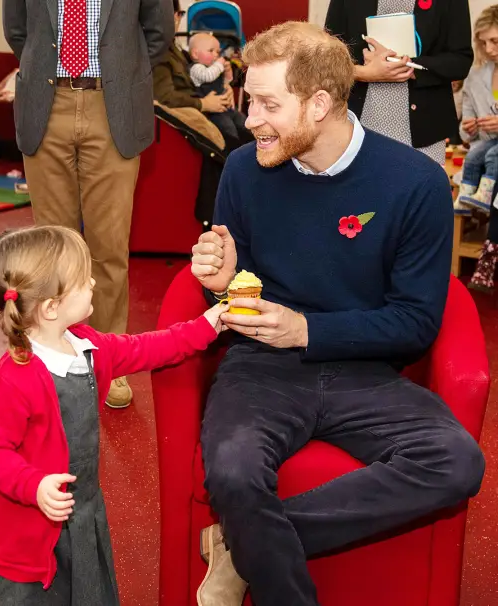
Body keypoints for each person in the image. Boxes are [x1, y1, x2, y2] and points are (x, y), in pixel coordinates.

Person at [188, 22, 484, 606]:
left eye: (269, 105)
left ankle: (245, 542)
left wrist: (308, 328)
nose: (250, 121)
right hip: (260, 366)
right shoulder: (245, 170)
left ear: (320, 104)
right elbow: (231, 303)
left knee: (456, 462)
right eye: (250, 102)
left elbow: (417, 322)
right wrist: (221, 289)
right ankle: (259, 547)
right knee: (231, 471)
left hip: (365, 370)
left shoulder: (416, 182)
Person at [0, 225, 228, 605]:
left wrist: (206, 326)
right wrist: (34, 485)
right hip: (28, 534)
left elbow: (147, 347)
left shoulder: (88, 347)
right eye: (82, 278)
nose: (92, 280)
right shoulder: (8, 380)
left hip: (83, 514)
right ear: (51, 307)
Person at [4, 0, 173, 408]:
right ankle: (53, 355)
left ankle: (109, 361)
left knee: (108, 246)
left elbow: (158, 34)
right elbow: (17, 31)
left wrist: (120, 71)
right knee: (51, 251)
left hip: (112, 106)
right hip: (47, 104)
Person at [325, 0, 472, 164]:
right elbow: (326, 61)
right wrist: (365, 73)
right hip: (356, 126)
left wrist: (410, 67)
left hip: (425, 129)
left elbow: (461, 61)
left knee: (420, 187)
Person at [152, 3, 237, 148]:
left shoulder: (174, 48)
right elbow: (165, 97)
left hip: (206, 108)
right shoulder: (160, 53)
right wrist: (204, 104)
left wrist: (226, 88)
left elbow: (205, 67)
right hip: (192, 120)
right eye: (178, 15)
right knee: (234, 140)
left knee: (244, 130)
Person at [464, 6, 498, 291]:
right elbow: (465, 128)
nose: (488, 49)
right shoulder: (477, 76)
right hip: (486, 150)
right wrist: (470, 126)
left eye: (495, 41)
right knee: (486, 154)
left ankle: (488, 256)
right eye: (483, 42)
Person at [188, 32, 251, 148]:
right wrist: (219, 65)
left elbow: (226, 82)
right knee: (228, 130)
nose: (215, 55)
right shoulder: (196, 68)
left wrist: (227, 72)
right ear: (195, 54)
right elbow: (208, 76)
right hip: (213, 112)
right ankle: (233, 150)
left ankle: (251, 144)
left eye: (217, 52)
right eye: (211, 51)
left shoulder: (214, 67)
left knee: (244, 123)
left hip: (227, 108)